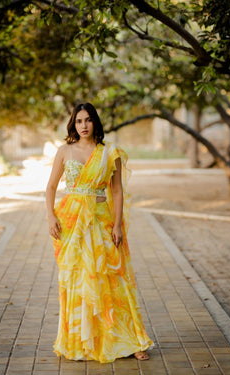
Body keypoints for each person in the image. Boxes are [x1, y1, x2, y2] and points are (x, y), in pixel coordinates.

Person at [46, 102, 153, 363]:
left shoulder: (109, 152)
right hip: (72, 224)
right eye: (79, 121)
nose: (83, 126)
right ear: (74, 124)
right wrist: (50, 216)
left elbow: (116, 191)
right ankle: (82, 342)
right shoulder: (64, 151)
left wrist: (117, 225)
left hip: (101, 222)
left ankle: (128, 340)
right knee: (77, 280)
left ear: (96, 123)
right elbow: (50, 188)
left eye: (88, 120)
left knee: (113, 279)